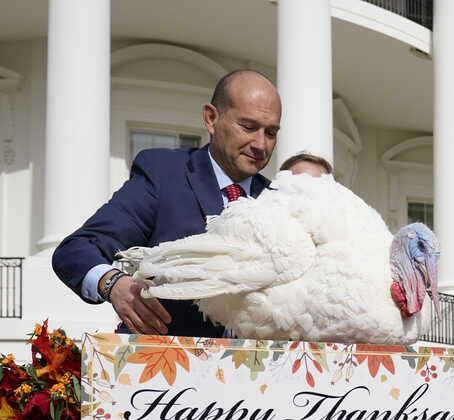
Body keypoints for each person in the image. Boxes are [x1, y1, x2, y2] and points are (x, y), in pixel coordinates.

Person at [52, 69, 282, 337]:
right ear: (211, 118)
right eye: (249, 127)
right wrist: (113, 283)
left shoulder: (279, 201)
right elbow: (76, 249)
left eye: (271, 133)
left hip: (254, 373)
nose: (260, 144)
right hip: (162, 367)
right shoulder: (164, 175)